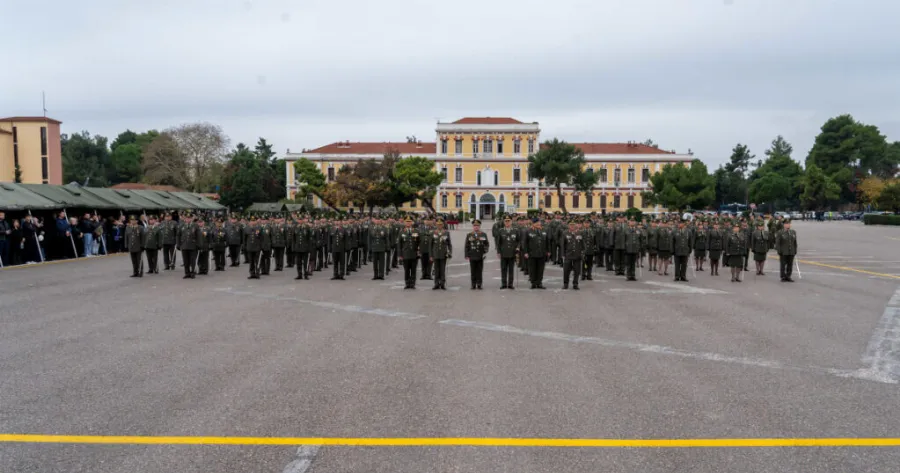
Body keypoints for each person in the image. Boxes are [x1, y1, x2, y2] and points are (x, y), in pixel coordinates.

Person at [523, 218, 549, 289]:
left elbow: (547, 242)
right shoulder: (528, 231)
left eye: (539, 222)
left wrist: (548, 251)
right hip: (532, 253)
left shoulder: (544, 230)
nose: (538, 224)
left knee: (540, 269)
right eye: (536, 223)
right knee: (532, 269)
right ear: (533, 223)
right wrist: (525, 252)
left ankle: (539, 283)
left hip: (542, 253)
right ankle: (533, 283)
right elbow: (525, 243)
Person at [464, 219, 489, 290]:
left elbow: (486, 244)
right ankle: (473, 284)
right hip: (472, 255)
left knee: (479, 270)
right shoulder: (469, 235)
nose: (476, 227)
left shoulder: (483, 234)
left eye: (477, 226)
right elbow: (467, 245)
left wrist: (485, 251)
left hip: (480, 255)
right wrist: (466, 255)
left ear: (479, 226)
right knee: (473, 271)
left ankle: (479, 284)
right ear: (473, 226)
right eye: (474, 226)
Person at [497, 216, 520, 289]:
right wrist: (498, 252)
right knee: (503, 269)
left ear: (511, 222)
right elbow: (498, 243)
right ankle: (504, 284)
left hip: (512, 253)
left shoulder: (515, 230)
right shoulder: (501, 231)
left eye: (509, 221)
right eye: (506, 221)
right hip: (503, 253)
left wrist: (518, 247)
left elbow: (518, 241)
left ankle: (510, 284)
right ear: (504, 222)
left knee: (511, 269)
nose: (507, 222)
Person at [429, 218, 452, 290]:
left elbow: (449, 244)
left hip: (443, 254)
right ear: (436, 225)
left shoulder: (446, 233)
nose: (439, 226)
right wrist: (431, 255)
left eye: (441, 224)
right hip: (435, 254)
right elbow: (430, 245)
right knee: (436, 270)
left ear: (443, 225)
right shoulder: (433, 233)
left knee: (442, 270)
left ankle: (442, 283)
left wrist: (449, 252)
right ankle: (436, 283)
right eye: (438, 224)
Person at [398, 216, 420, 289]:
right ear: (404, 223)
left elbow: (419, 242)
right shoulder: (401, 232)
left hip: (414, 254)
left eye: (409, 221)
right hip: (405, 254)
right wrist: (400, 255)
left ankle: (413, 283)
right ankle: (407, 283)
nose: (408, 223)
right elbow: (399, 244)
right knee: (406, 270)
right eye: (407, 222)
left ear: (412, 222)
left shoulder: (416, 231)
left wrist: (419, 250)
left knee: (413, 269)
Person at [561, 219, 584, 290]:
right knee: (566, 270)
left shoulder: (580, 233)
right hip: (568, 255)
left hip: (577, 255)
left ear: (575, 226)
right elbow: (562, 245)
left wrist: (583, 253)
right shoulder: (565, 233)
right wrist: (563, 255)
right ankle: (565, 284)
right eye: (571, 225)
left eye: (573, 225)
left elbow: (583, 244)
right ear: (568, 226)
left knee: (577, 271)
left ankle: (575, 284)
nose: (572, 226)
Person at [176, 212, 199, 279]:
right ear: (184, 219)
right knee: (185, 261)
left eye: (189, 218)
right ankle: (187, 273)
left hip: (193, 245)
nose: (188, 219)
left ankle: (192, 272)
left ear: (192, 218)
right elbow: (178, 235)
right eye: (186, 218)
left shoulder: (195, 225)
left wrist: (199, 245)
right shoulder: (181, 226)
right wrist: (178, 244)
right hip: (184, 245)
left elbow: (199, 236)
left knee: (192, 260)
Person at [624, 217, 644, 281]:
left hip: (635, 249)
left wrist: (640, 247)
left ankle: (633, 275)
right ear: (629, 223)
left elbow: (641, 240)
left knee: (633, 263)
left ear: (635, 223)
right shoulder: (626, 230)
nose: (632, 222)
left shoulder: (638, 230)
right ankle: (628, 275)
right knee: (628, 263)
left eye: (633, 221)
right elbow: (624, 240)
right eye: (631, 221)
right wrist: (625, 248)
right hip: (628, 249)